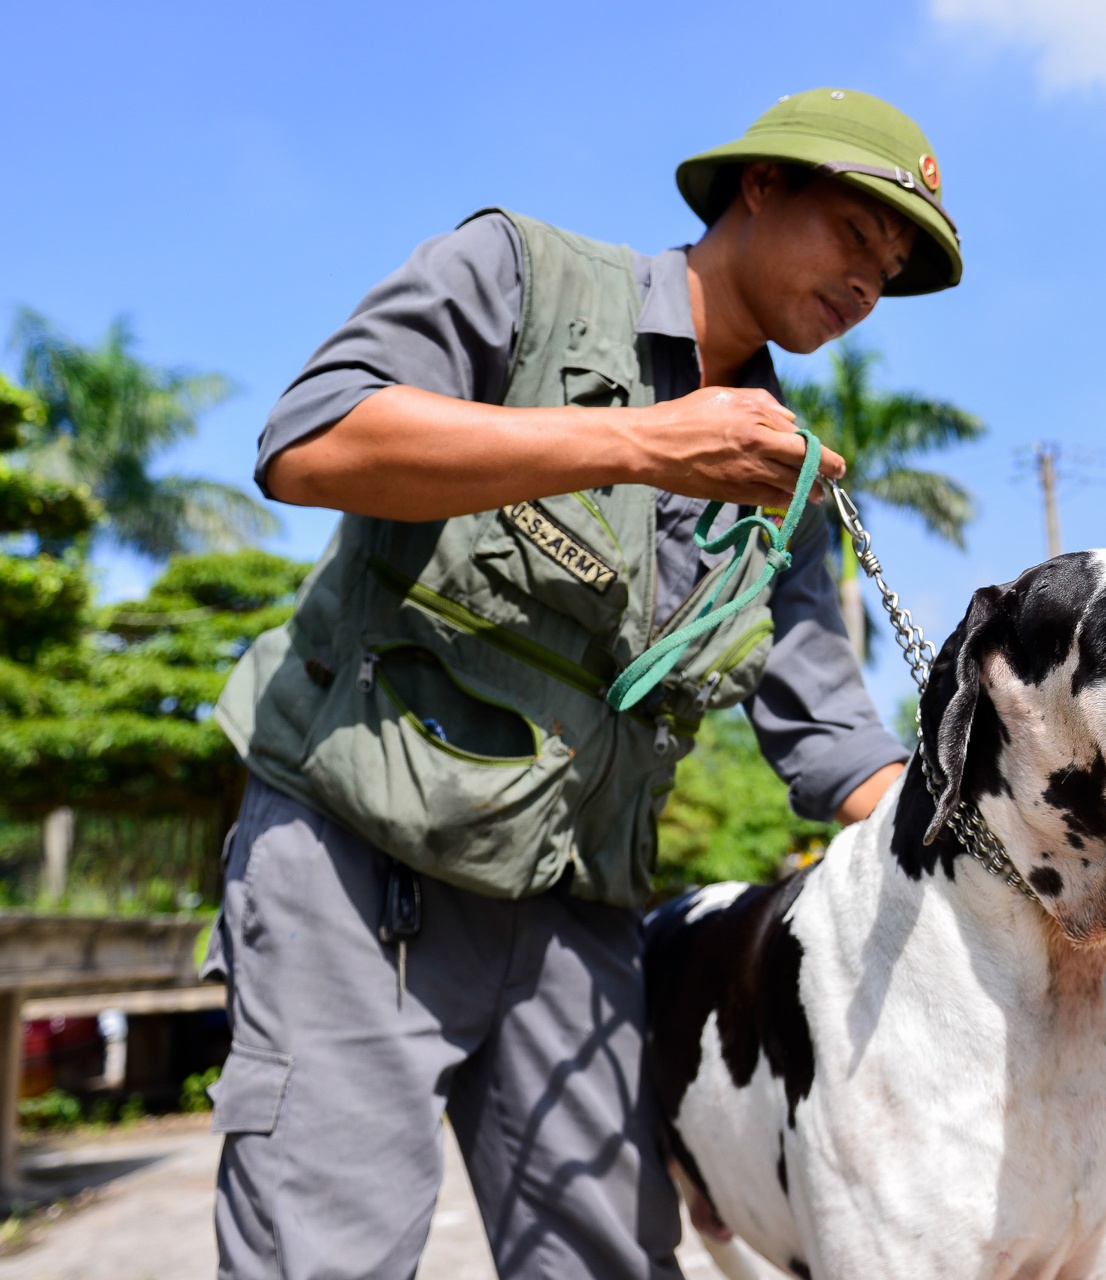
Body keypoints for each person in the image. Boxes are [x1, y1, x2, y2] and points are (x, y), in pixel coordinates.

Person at [200, 89, 962, 1280]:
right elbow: (314, 441)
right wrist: (649, 442)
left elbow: (832, 737)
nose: (869, 281)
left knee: (610, 1257)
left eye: (893, 268)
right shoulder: (520, 275)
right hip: (360, 864)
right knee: (324, 1255)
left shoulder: (785, 483)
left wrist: (996, 835)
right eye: (856, 233)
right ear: (759, 186)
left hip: (575, 906)